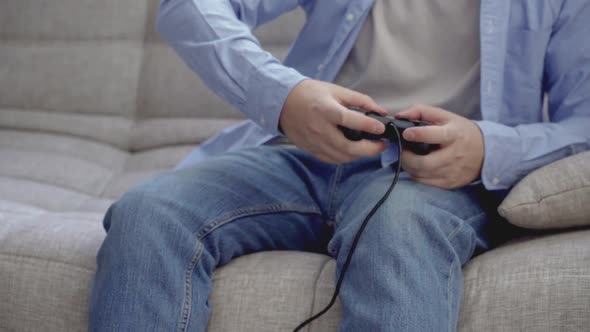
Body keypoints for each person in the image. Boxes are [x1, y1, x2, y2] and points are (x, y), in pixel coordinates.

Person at [89, 0, 590, 331]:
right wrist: (283, 97)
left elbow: (584, 124)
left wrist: (487, 146)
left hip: (437, 180)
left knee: (397, 229)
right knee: (149, 214)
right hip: (299, 156)